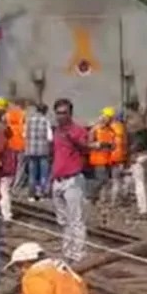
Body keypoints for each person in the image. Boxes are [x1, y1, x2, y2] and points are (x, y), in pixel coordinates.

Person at [50, 98, 101, 264]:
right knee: (63, 220)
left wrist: (92, 144)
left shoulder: (77, 131)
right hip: (57, 179)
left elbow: (86, 147)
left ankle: (78, 254)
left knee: (76, 219)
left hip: (72, 179)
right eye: (58, 113)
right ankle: (67, 251)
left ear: (70, 113)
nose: (60, 116)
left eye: (64, 113)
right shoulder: (56, 131)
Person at [88, 108, 119, 205]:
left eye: (110, 118)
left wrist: (112, 146)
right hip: (98, 159)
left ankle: (102, 199)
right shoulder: (95, 129)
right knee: (102, 180)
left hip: (108, 159)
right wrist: (98, 144)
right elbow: (89, 144)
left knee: (106, 181)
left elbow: (114, 144)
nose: (107, 120)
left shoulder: (111, 130)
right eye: (106, 117)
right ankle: (91, 196)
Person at [23, 103, 53, 201]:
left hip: (31, 150)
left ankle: (31, 195)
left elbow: (24, 135)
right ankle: (42, 195)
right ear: (45, 111)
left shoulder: (29, 121)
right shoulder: (46, 121)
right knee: (43, 174)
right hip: (43, 151)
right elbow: (50, 138)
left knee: (32, 174)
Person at [0, 114, 15, 221]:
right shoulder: (6, 129)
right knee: (4, 190)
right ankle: (6, 214)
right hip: (8, 165)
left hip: (2, 166)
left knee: (2, 191)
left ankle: (5, 214)